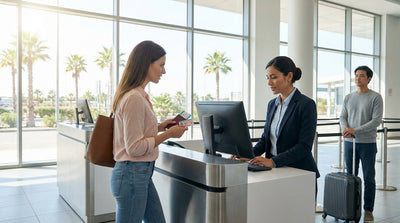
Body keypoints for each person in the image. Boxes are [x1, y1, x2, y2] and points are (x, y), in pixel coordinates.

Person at [110, 40, 188, 223]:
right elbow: (134, 148)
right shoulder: (135, 99)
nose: (164, 71)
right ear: (146, 63)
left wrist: (161, 127)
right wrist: (168, 134)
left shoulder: (137, 96)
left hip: (140, 174)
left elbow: (136, 132)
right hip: (132, 175)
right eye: (161, 65)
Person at [245, 55, 320, 186]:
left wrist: (273, 161)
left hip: (300, 172)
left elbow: (304, 146)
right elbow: (265, 139)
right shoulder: (272, 104)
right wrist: (248, 155)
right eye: (268, 78)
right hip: (275, 172)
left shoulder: (306, 104)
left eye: (274, 77)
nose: (269, 83)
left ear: (289, 76)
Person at [340, 65, 383, 222]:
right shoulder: (348, 97)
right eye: (356, 75)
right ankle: (351, 208)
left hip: (367, 143)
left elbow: (376, 121)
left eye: (362, 76)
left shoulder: (375, 97)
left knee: (369, 177)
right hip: (349, 143)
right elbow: (342, 116)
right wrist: (346, 129)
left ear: (369, 78)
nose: (358, 78)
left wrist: (355, 130)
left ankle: (368, 210)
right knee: (351, 176)